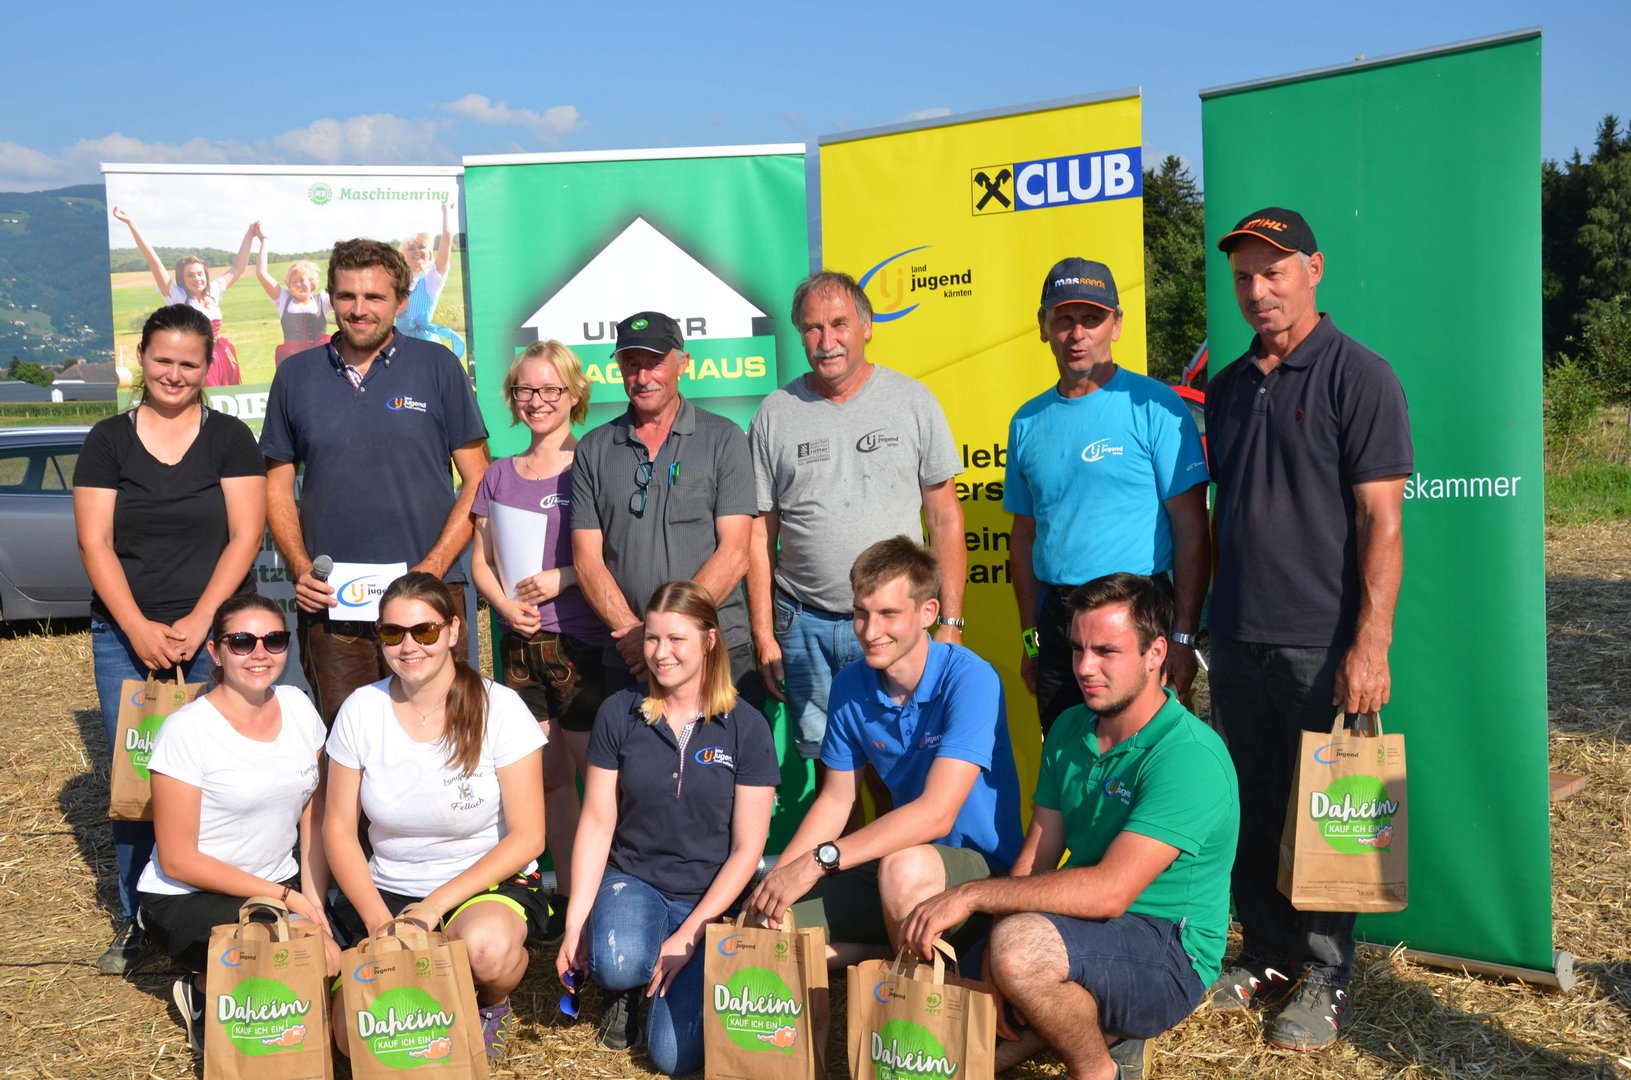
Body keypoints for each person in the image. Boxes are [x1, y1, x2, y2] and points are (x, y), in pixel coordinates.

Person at [1205, 207, 1412, 1051]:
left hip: (1321, 642)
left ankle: (1326, 974)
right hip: (1235, 636)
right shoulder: (1225, 387)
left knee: (1330, 816)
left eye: (1273, 271)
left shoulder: (1359, 375)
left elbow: (1381, 523)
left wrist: (1370, 643)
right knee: (1252, 807)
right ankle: (1266, 953)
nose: (1257, 290)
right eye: (1244, 276)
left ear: (1312, 270)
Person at [901, 574, 1238, 1080]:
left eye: (1106, 651)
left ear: (1156, 653)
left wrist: (974, 900)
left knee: (1020, 952)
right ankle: (1086, 1025)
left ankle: (1097, 1069)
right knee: (938, 1016)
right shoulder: (1068, 727)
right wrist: (992, 950)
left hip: (1169, 951)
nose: (1084, 667)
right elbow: (1037, 855)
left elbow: (1110, 893)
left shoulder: (1189, 756)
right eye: (1078, 648)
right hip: (1078, 925)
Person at [73, 303, 267, 975]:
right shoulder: (108, 440)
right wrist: (136, 626)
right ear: (141, 358)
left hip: (220, 639)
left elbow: (246, 535)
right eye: (163, 360)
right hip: (126, 638)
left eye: (189, 363)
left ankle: (225, 911)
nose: (174, 374)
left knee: (226, 779)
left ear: (207, 365)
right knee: (140, 783)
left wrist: (205, 621)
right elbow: (95, 542)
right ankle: (140, 921)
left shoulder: (230, 438)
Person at [746, 536, 1023, 966]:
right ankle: (885, 955)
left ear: (928, 612)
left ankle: (918, 990)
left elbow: (937, 814)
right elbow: (836, 801)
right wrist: (781, 879)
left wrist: (818, 861)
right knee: (767, 924)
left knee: (902, 868)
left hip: (980, 874)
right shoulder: (850, 684)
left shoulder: (971, 678)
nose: (870, 631)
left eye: (888, 614)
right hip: (894, 867)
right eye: (861, 613)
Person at [261, 237, 489, 726]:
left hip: (428, 592)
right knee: (349, 738)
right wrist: (300, 567)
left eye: (374, 297)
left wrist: (433, 567)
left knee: (444, 731)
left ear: (401, 301)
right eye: (347, 296)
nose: (359, 309)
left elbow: (478, 480)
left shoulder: (438, 367)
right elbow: (275, 488)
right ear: (330, 299)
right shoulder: (295, 376)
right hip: (333, 601)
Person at [556, 581, 778, 1075]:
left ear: (709, 640)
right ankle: (626, 986)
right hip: (634, 880)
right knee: (617, 961)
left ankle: (665, 979)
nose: (661, 653)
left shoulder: (747, 726)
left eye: (677, 639)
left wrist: (691, 935)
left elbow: (747, 850)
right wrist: (576, 923)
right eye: (653, 638)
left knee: (674, 1058)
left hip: (711, 900)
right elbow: (597, 822)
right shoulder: (618, 711)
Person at [747, 270, 967, 771]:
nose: (827, 342)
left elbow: (945, 518)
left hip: (895, 623)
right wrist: (764, 635)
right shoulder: (775, 414)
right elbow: (759, 535)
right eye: (812, 328)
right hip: (805, 624)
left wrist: (951, 622)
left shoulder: (913, 402)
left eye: (839, 324)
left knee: (900, 763)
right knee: (833, 767)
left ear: (867, 327)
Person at [324, 572, 547, 1061]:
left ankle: (491, 1002)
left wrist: (431, 909)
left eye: (424, 631)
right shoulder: (361, 709)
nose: (409, 646)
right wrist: (380, 924)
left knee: (485, 952)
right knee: (349, 1039)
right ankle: (439, 994)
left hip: (481, 886)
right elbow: (337, 829)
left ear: (452, 630)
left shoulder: (500, 707)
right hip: (389, 889)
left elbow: (529, 836)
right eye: (392, 633)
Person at [1004, 258, 1210, 736]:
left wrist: (1182, 637)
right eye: (1064, 319)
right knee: (1067, 758)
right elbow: (1024, 535)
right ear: (1043, 327)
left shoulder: (1156, 406)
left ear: (1116, 325)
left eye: (1091, 319)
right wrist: (1032, 640)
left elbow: (1191, 528)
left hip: (1138, 613)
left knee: (1142, 758)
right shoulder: (1026, 421)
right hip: (1059, 621)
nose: (1077, 334)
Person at [137, 594, 335, 1054]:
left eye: (274, 640)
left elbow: (314, 813)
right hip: (187, 896)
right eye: (242, 641)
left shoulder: (298, 706)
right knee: (305, 956)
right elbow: (178, 859)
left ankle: (223, 989)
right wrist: (286, 899)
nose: (260, 653)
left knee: (327, 957)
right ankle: (205, 990)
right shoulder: (187, 731)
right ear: (216, 652)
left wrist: (315, 903)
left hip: (276, 885)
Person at [470, 340, 608, 940]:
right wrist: (503, 606)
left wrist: (565, 577)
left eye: (551, 389)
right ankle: (571, 898)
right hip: (521, 650)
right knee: (548, 779)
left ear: (574, 395)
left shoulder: (593, 463)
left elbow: (615, 553)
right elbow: (480, 562)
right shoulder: (499, 473)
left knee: (599, 780)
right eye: (526, 389)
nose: (538, 400)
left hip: (582, 645)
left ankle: (609, 897)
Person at [571, 311, 758, 697]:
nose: (642, 377)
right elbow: (587, 562)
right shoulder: (592, 449)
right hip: (629, 656)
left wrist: (662, 636)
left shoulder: (725, 438)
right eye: (631, 364)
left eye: (654, 363)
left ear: (682, 363)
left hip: (715, 648)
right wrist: (638, 637)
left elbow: (736, 553)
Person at [111, 206, 255, 386]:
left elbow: (238, 267)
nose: (197, 279)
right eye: (190, 275)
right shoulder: (178, 297)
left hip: (221, 358)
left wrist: (250, 234)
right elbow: (154, 262)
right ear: (183, 278)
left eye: (200, 274)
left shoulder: (213, 291)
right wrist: (131, 224)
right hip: (195, 358)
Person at [252, 224, 332, 367]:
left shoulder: (323, 300)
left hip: (319, 360)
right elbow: (261, 273)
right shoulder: (283, 299)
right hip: (291, 360)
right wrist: (264, 240)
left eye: (302, 280)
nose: (298, 285)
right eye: (294, 282)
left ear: (311, 282)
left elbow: (346, 298)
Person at [395, 202, 466, 359]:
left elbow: (447, 239)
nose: (417, 251)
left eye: (421, 247)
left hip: (425, 347)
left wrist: (447, 211)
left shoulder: (431, 279)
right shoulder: (397, 283)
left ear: (429, 253)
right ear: (403, 255)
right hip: (400, 347)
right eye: (411, 248)